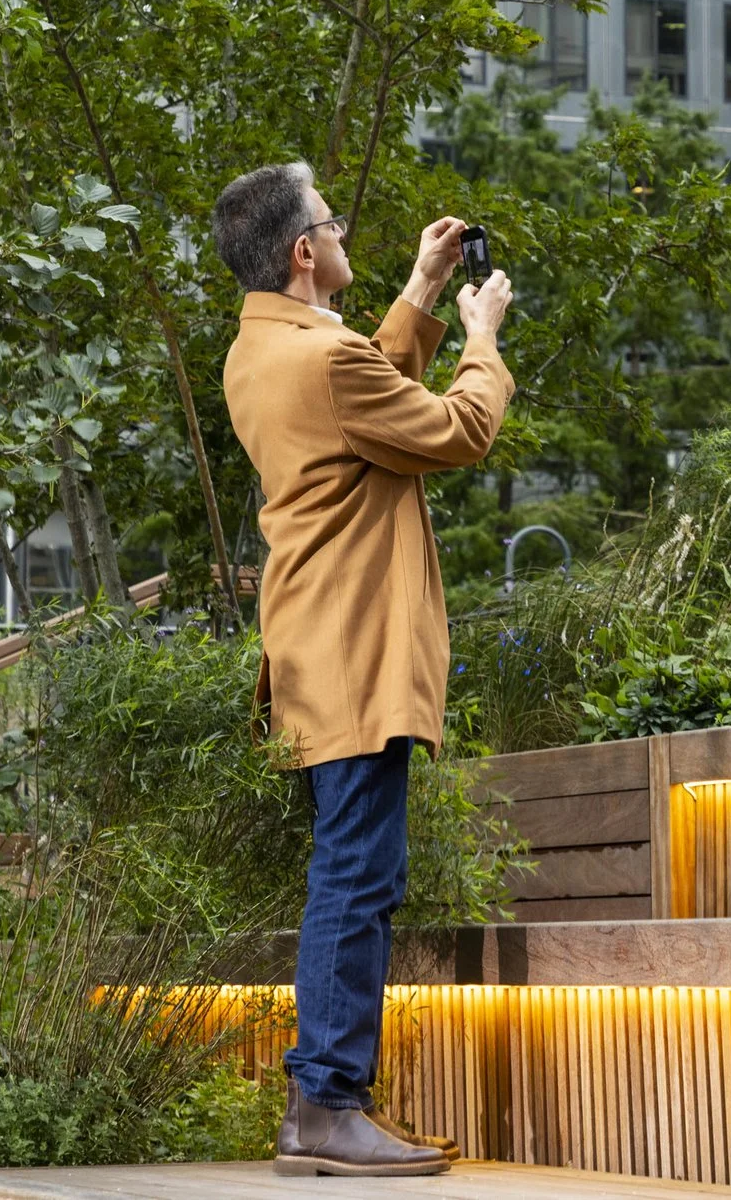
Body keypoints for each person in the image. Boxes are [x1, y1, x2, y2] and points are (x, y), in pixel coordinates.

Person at [213, 160, 514, 1178]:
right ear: (305, 252)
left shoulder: (262, 349)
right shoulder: (325, 361)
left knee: (351, 870)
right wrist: (479, 339)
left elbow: (362, 402)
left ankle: (327, 1101)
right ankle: (325, 1103)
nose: (344, 234)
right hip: (354, 647)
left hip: (313, 641)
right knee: (356, 877)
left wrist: (421, 291)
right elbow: (456, 431)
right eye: (333, 223)